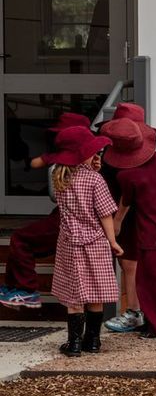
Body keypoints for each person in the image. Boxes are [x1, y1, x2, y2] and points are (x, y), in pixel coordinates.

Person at [0, 114, 90, 308]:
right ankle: (13, 285)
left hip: (69, 218)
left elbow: (34, 163)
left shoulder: (65, 157)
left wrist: (52, 157)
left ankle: (26, 289)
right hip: (78, 219)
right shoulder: (95, 157)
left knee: (21, 239)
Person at [102, 115, 156, 339]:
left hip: (150, 231)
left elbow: (126, 201)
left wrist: (116, 222)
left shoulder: (127, 174)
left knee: (151, 282)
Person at [50, 127, 122, 357]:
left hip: (69, 244)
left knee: (74, 296)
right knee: (96, 293)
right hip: (95, 243)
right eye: (93, 151)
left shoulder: (59, 179)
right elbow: (105, 214)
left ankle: (73, 344)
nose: (97, 154)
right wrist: (113, 241)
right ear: (84, 154)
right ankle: (93, 341)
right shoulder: (95, 180)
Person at [101, 101, 152, 335]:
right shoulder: (108, 156)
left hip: (128, 214)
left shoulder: (138, 158)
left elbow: (128, 194)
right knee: (127, 262)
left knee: (130, 262)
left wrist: (117, 220)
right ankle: (133, 310)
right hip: (112, 213)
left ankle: (134, 311)